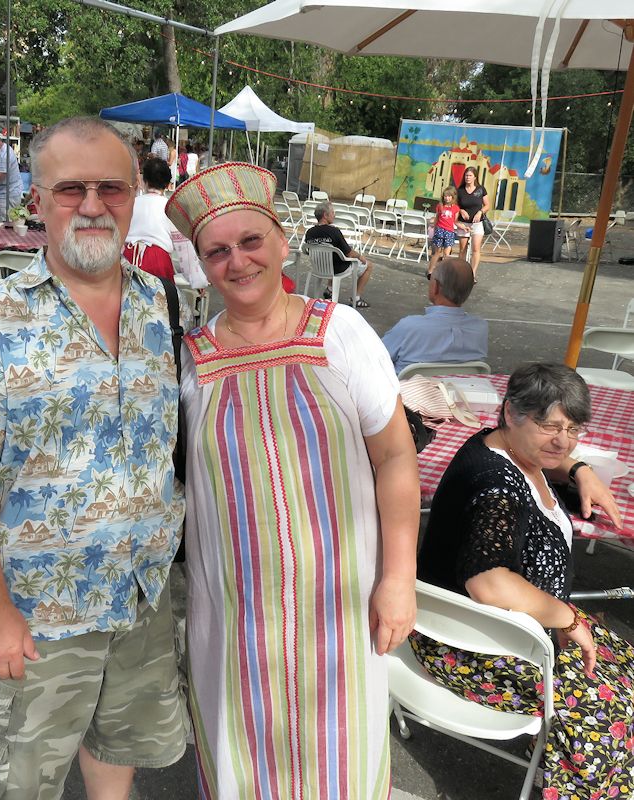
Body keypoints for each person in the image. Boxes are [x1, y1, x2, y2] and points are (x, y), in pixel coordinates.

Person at [0, 116, 188, 800]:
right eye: (71, 190)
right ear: (37, 200)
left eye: (110, 188)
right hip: (38, 615)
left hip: (140, 598)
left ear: (133, 196)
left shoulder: (155, 303)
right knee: (9, 784)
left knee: (115, 748)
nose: (93, 205)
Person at [165, 163, 419, 798]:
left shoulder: (341, 333)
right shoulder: (190, 361)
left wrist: (399, 579)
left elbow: (395, 457)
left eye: (251, 241)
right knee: (245, 761)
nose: (238, 261)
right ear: (202, 265)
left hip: (341, 608)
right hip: (234, 616)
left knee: (341, 762)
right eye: (217, 251)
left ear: (283, 242)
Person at [412, 362, 631, 798]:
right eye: (550, 426)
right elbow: (489, 583)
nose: (563, 441)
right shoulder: (495, 487)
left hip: (521, 627)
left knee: (627, 670)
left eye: (573, 429)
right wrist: (567, 618)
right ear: (511, 412)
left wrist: (577, 468)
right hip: (472, 643)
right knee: (611, 713)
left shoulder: (499, 445)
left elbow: (546, 452)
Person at [382, 257, 488, 376]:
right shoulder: (480, 328)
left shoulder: (409, 327)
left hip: (410, 387)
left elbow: (376, 357)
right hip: (464, 387)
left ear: (436, 286)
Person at [304, 201, 373, 306]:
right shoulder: (334, 231)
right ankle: (356, 298)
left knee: (332, 259)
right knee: (369, 266)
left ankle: (330, 289)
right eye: (332, 212)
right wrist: (360, 256)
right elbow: (349, 253)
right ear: (325, 215)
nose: (334, 215)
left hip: (318, 267)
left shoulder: (309, 232)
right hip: (338, 269)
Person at [122, 157, 178, 282]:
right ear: (167, 184)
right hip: (159, 261)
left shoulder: (130, 204)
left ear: (144, 181)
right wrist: (197, 280)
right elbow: (183, 246)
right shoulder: (170, 207)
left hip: (129, 259)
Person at [455, 165, 490, 279]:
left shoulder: (481, 189)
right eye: (466, 175)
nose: (467, 177)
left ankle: (472, 273)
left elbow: (487, 205)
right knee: (462, 249)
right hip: (463, 223)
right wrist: (461, 210)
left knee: (476, 249)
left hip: (477, 223)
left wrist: (480, 212)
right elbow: (455, 205)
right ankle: (461, 272)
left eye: (470, 175)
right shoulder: (460, 190)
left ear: (475, 177)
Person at [426, 185, 460, 277]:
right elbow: (437, 218)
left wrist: (463, 227)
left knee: (446, 254)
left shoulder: (456, 208)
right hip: (440, 230)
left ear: (452, 197)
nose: (447, 198)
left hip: (449, 231)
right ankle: (430, 271)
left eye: (449, 196)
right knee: (437, 252)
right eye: (445, 196)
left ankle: (444, 273)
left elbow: (455, 221)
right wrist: (434, 228)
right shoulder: (440, 206)